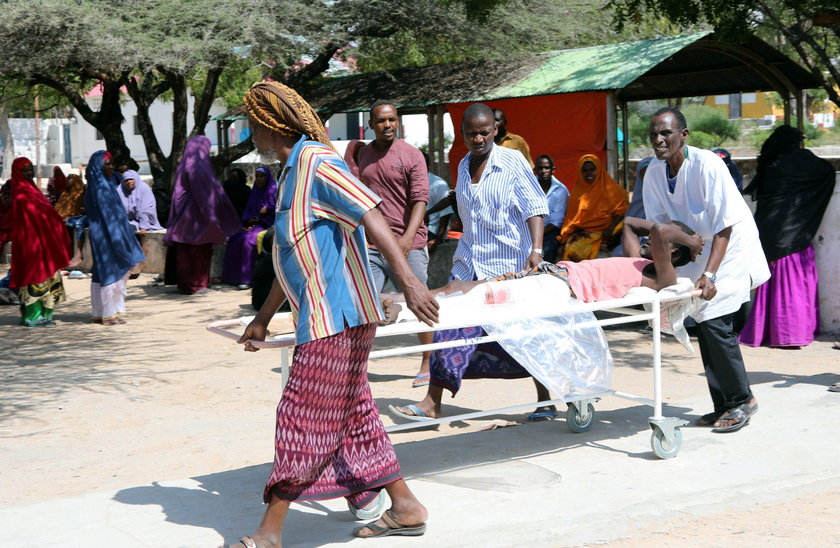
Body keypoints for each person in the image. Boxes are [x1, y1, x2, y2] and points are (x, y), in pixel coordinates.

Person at [230, 80, 438, 547]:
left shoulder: (318, 162)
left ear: (269, 126)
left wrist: (409, 280)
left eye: (252, 126)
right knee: (356, 414)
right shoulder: (291, 169)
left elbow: (371, 214)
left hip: (336, 319)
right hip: (325, 316)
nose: (250, 135)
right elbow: (297, 255)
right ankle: (404, 507)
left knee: (302, 416)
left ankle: (269, 531)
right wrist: (263, 317)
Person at [393, 102, 552, 421]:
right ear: (462, 134)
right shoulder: (464, 165)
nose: (477, 139)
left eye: (483, 133)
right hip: (468, 263)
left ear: (495, 130)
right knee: (447, 321)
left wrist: (536, 249)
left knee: (525, 331)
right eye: (470, 134)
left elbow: (535, 205)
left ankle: (545, 400)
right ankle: (433, 401)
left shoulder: (512, 162)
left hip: (509, 265)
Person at [643, 107, 769, 433]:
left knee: (715, 322)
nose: (659, 140)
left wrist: (710, 273)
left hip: (729, 246)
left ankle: (743, 400)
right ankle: (723, 404)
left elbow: (724, 226)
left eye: (666, 133)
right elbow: (663, 225)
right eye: (654, 134)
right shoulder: (654, 173)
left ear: (683, 135)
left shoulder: (708, 165)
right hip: (695, 247)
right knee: (702, 322)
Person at [357, 100, 433, 389]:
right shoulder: (364, 154)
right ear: (371, 124)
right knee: (364, 306)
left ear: (397, 121)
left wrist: (406, 239)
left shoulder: (412, 155)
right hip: (374, 246)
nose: (387, 125)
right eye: (381, 121)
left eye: (391, 120)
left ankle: (428, 361)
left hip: (407, 245)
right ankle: (357, 368)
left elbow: (420, 200)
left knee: (422, 304)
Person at [738, 125, 835, 348]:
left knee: (771, 281)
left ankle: (769, 332)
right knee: (794, 285)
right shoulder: (803, 160)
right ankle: (791, 334)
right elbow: (828, 173)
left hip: (768, 231)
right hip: (795, 234)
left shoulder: (770, 165)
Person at [163, 136, 240, 295]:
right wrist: (211, 215)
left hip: (183, 215)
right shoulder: (199, 166)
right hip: (198, 214)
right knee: (199, 250)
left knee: (185, 249)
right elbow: (203, 193)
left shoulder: (184, 164)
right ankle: (196, 284)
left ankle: (185, 284)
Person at [84, 151, 146, 325]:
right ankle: (109, 315)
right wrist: (119, 240)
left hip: (111, 233)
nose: (111, 167)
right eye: (107, 164)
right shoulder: (99, 189)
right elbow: (107, 218)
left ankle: (103, 312)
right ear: (99, 167)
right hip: (108, 236)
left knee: (104, 273)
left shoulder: (106, 184)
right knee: (110, 272)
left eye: (112, 164)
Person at [7, 157, 71, 327]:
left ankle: (45, 315)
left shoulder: (32, 189)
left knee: (48, 278)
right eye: (25, 170)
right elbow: (31, 216)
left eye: (30, 169)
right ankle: (31, 316)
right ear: (17, 172)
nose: (29, 173)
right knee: (34, 278)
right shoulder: (19, 191)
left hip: (44, 242)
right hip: (30, 243)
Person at [558, 154, 628, 262]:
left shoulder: (613, 190)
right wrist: (565, 237)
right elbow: (571, 219)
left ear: (599, 170)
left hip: (607, 232)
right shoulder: (577, 192)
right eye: (585, 171)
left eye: (592, 169)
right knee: (571, 251)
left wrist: (609, 229)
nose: (588, 174)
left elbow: (622, 212)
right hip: (585, 232)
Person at [221, 166, 278, 289]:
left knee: (248, 242)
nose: (259, 179)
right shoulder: (255, 192)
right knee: (234, 239)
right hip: (254, 225)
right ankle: (231, 277)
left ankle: (247, 279)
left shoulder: (273, 190)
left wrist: (268, 208)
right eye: (257, 176)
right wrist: (249, 218)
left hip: (269, 225)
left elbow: (278, 207)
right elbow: (248, 210)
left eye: (261, 176)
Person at [533, 154, 569, 262]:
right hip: (528, 230)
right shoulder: (528, 187)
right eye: (540, 168)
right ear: (535, 170)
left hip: (549, 232)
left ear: (553, 170)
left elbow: (556, 221)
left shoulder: (560, 190)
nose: (543, 171)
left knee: (547, 250)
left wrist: (537, 235)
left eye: (547, 168)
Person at [54, 173, 87, 266]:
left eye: (70, 179)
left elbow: (78, 209)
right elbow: (59, 208)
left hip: (73, 218)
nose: (67, 181)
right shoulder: (65, 193)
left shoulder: (79, 192)